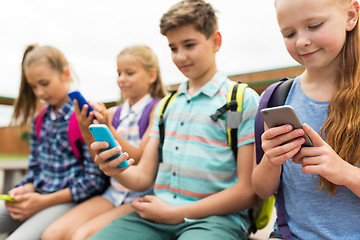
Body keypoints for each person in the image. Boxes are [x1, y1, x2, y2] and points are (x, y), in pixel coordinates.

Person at [89, 1, 260, 239]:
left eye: (189, 45)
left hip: (216, 220)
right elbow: (141, 178)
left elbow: (247, 192)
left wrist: (175, 213)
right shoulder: (167, 105)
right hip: (156, 217)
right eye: (173, 48)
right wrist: (113, 168)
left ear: (216, 41)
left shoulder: (240, 100)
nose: (180, 57)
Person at [252, 0, 360, 239]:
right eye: (289, 33)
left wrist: (346, 173)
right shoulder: (276, 98)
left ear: (351, 15)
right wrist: (272, 160)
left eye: (314, 25)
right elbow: (260, 189)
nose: (301, 41)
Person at [42, 45, 167, 240]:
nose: (122, 79)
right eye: (119, 73)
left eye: (129, 73)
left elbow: (139, 159)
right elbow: (100, 162)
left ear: (151, 75)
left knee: (81, 236)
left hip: (141, 197)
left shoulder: (156, 108)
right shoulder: (113, 113)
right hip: (113, 193)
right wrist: (86, 127)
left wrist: (110, 129)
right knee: (52, 234)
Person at [0, 44, 108, 240]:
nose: (40, 92)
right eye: (34, 87)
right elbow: (35, 168)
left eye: (44, 83)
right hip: (38, 195)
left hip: (71, 201)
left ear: (65, 74)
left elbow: (94, 181)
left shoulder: (83, 116)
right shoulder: (40, 119)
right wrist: (25, 188)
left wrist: (43, 201)